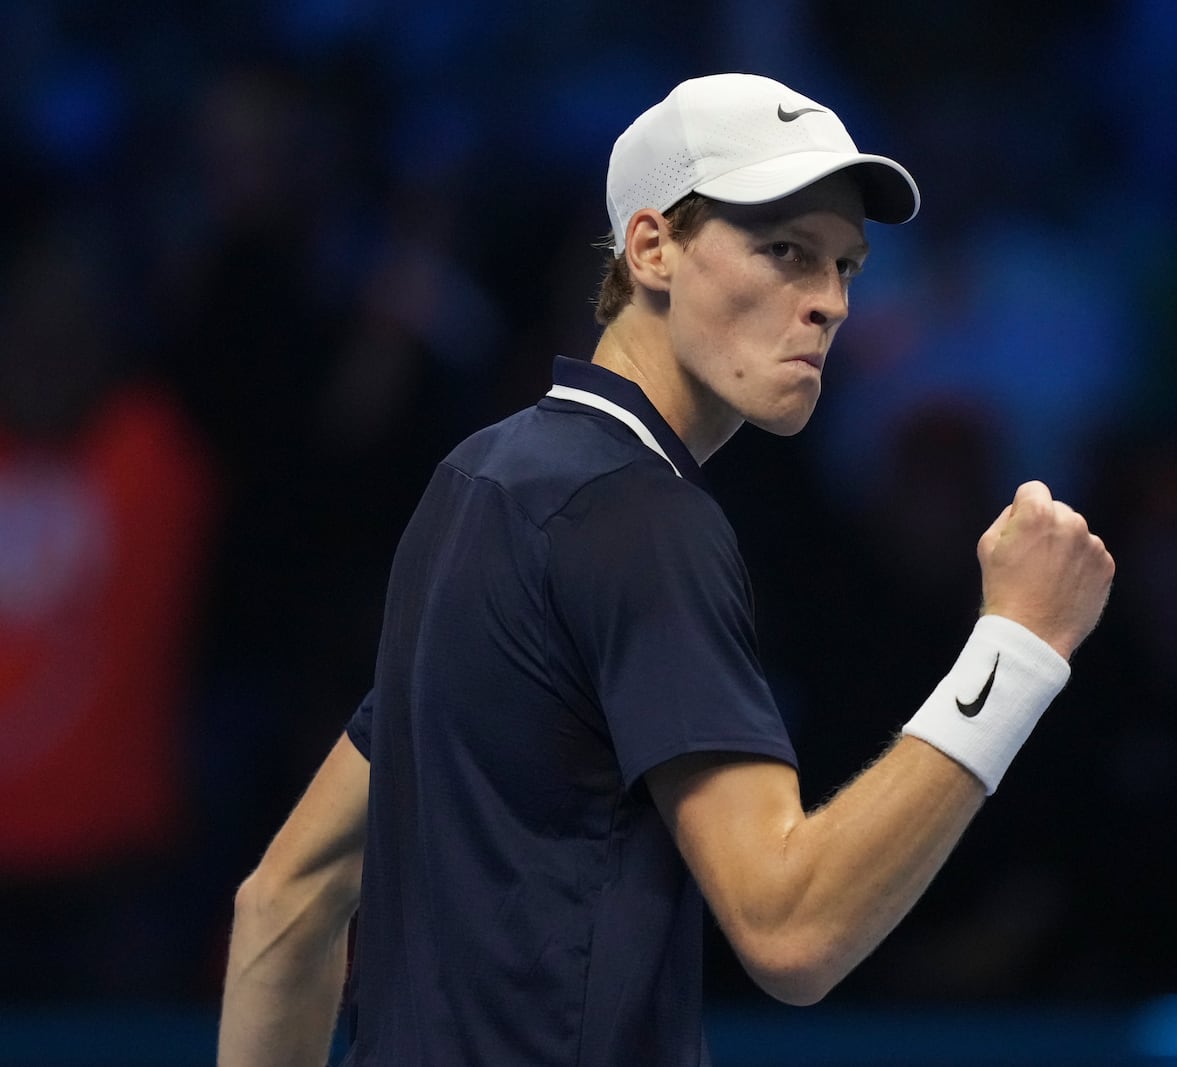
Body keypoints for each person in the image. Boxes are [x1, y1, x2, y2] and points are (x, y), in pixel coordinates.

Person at [219, 72, 1114, 1066]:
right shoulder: (643, 518)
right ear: (650, 248)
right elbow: (791, 928)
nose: (825, 303)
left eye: (845, 266)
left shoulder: (479, 481)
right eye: (783, 252)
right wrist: (1020, 643)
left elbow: (285, 902)